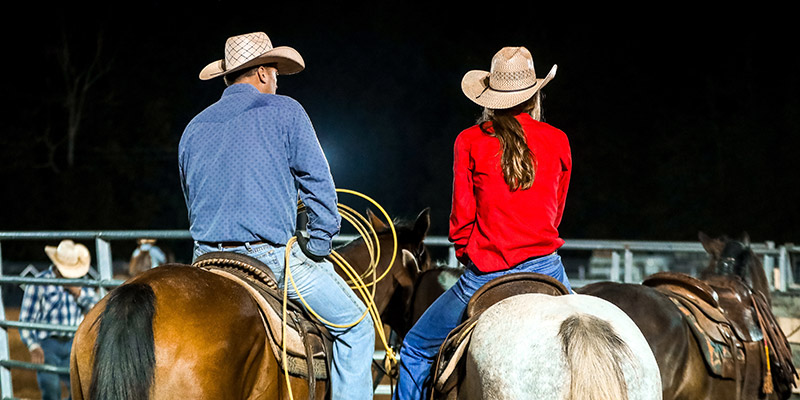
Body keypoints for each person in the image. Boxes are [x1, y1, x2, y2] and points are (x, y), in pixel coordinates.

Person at [178, 31, 374, 399]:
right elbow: (319, 185)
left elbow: (192, 199)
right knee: (357, 327)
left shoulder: (193, 128)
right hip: (269, 259)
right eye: (277, 74)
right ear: (265, 73)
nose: (277, 81)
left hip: (205, 260)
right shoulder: (286, 111)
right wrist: (317, 243)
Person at [394, 46, 574, 399]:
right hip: (547, 269)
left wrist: (469, 254)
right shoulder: (559, 140)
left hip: (487, 273)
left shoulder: (470, 141)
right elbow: (557, 211)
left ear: (490, 98)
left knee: (415, 348)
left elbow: (461, 221)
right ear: (534, 94)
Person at [19, 239, 100, 400]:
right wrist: (33, 345)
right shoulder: (39, 283)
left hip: (74, 343)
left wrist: (79, 294)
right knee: (51, 390)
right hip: (48, 344)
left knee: (80, 391)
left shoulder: (80, 282)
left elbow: (97, 309)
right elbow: (26, 319)